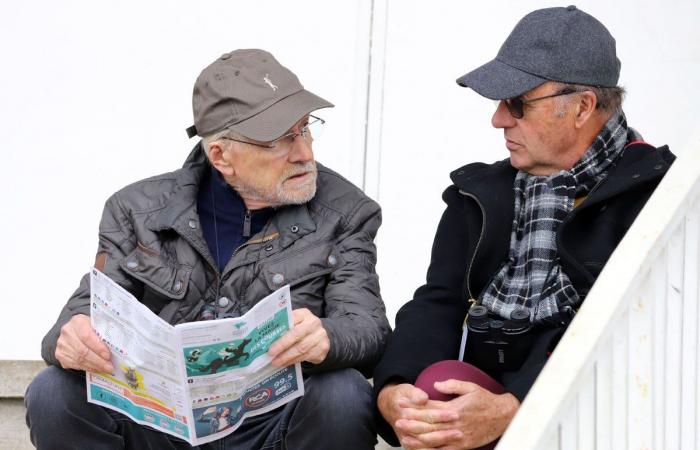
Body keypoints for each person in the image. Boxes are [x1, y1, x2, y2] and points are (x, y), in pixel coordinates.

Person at [25, 49, 390, 450]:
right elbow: (79, 317)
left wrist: (327, 336)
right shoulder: (135, 210)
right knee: (54, 389)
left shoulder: (346, 212)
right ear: (221, 156)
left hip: (272, 424)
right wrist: (71, 337)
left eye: (305, 129)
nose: (304, 152)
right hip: (159, 425)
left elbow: (367, 326)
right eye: (282, 139)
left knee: (342, 393)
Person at [372, 6, 675, 450]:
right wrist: (392, 389)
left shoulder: (657, 195)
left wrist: (517, 406)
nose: (498, 119)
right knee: (434, 393)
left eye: (517, 103)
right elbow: (438, 302)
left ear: (582, 107)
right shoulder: (475, 194)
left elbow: (636, 340)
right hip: (482, 387)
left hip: (600, 407)